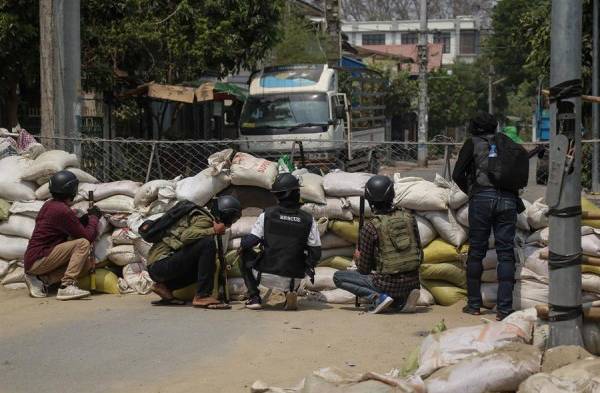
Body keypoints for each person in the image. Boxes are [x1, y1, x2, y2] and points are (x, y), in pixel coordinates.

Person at [452, 111, 523, 321]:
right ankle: (504, 309)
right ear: (495, 126)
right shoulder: (507, 143)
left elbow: (457, 174)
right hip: (509, 200)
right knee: (506, 254)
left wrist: (472, 191)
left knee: (477, 251)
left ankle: (474, 305)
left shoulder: (471, 143)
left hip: (481, 200)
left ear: (474, 127)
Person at [333, 175, 421, 314]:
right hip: (413, 282)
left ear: (370, 201)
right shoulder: (409, 218)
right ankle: (401, 301)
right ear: (392, 195)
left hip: (387, 284)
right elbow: (420, 255)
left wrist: (358, 257)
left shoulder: (371, 227)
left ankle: (378, 298)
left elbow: (364, 270)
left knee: (338, 277)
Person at [239, 173, 321, 311]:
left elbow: (250, 242)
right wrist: (305, 265)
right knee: (295, 254)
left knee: (245, 253)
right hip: (294, 278)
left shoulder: (267, 215)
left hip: (265, 275)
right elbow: (316, 253)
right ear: (296, 193)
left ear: (277, 195)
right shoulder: (308, 219)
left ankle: (254, 298)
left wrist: (243, 243)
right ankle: (290, 292)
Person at [146, 195, 241, 309]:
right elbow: (186, 237)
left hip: (159, 267)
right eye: (233, 218)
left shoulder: (203, 218)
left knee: (207, 265)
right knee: (207, 243)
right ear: (227, 214)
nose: (232, 222)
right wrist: (213, 230)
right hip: (160, 265)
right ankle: (202, 295)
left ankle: (164, 287)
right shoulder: (205, 219)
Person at [24, 170, 101, 300]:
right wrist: (94, 218)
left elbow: (70, 228)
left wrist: (85, 220)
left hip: (36, 260)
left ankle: (42, 280)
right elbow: (87, 237)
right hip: (39, 259)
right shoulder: (62, 210)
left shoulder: (50, 205)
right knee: (82, 244)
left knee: (86, 264)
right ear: (71, 190)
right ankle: (66, 286)